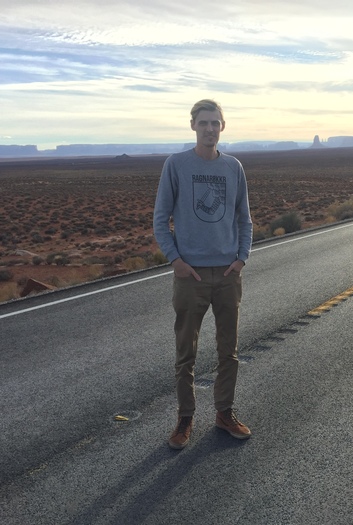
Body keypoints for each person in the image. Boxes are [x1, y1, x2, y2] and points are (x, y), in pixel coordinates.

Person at [153, 99, 253, 450]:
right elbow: (160, 219)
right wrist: (176, 261)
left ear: (222, 127)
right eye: (204, 122)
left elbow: (244, 218)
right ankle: (185, 418)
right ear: (193, 125)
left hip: (227, 274)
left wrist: (241, 259)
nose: (210, 128)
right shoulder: (176, 164)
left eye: (215, 123)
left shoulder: (233, 167)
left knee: (229, 351)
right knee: (186, 352)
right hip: (190, 276)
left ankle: (224, 413)